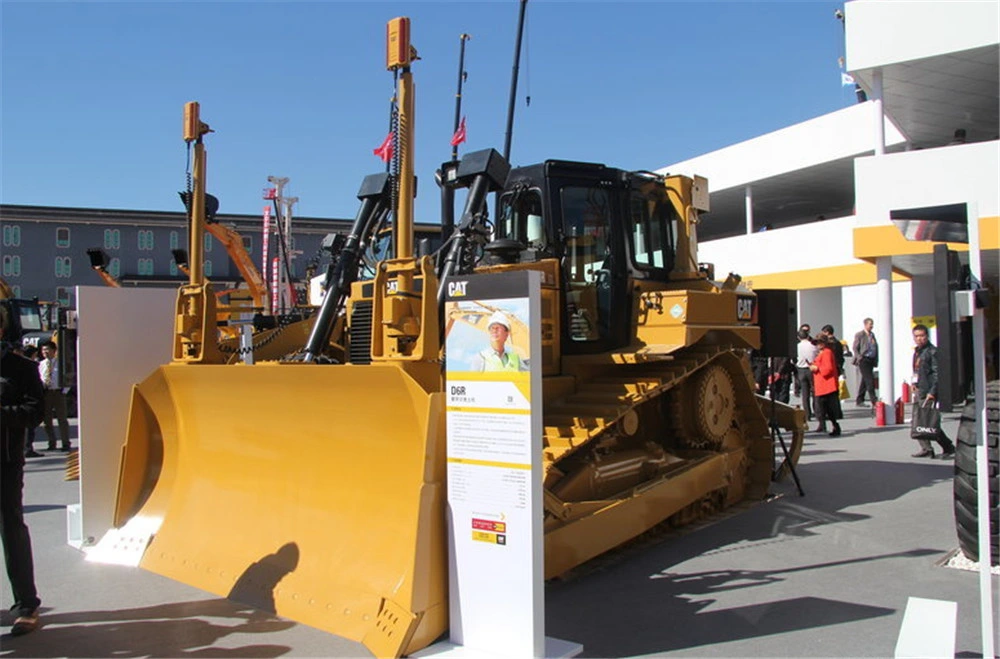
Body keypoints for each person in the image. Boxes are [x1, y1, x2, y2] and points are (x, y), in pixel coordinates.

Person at [1, 306, 44, 636]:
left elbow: (34, 413)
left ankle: (26, 603)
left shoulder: (22, 369)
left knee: (11, 527)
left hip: (5, 462)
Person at [910, 324, 955, 459]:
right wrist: (914, 383)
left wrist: (933, 391)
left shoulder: (932, 351)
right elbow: (918, 371)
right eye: (916, 336)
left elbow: (937, 374)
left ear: (927, 336)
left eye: (922, 336)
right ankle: (927, 448)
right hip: (920, 389)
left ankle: (947, 446)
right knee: (918, 420)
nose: (919, 339)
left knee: (927, 421)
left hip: (928, 391)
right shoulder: (917, 351)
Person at [38, 341, 71, 451]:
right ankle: (52, 442)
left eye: (47, 349)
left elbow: (68, 378)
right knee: (47, 420)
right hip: (46, 393)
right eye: (43, 350)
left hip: (58, 393)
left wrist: (64, 391)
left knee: (62, 419)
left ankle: (65, 442)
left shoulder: (60, 363)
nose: (45, 352)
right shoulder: (41, 364)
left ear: (54, 350)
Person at [810, 335, 842, 436]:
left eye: (820, 342)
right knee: (824, 407)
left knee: (825, 407)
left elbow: (828, 369)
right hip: (823, 385)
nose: (818, 345)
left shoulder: (827, 352)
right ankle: (828, 425)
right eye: (817, 343)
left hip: (826, 385)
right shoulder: (824, 352)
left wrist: (816, 367)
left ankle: (831, 425)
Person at [852, 318, 878, 407]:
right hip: (864, 359)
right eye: (870, 324)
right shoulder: (860, 335)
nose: (871, 326)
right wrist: (859, 357)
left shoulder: (872, 335)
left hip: (871, 359)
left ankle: (859, 399)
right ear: (865, 324)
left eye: (872, 324)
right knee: (869, 379)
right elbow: (855, 347)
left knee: (865, 379)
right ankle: (874, 400)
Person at [795, 328, 817, 421]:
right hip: (811, 369)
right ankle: (817, 411)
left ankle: (807, 415)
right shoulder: (813, 346)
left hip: (800, 369)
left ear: (798, 337)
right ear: (807, 336)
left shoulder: (796, 346)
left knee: (805, 394)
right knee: (815, 392)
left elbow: (794, 359)